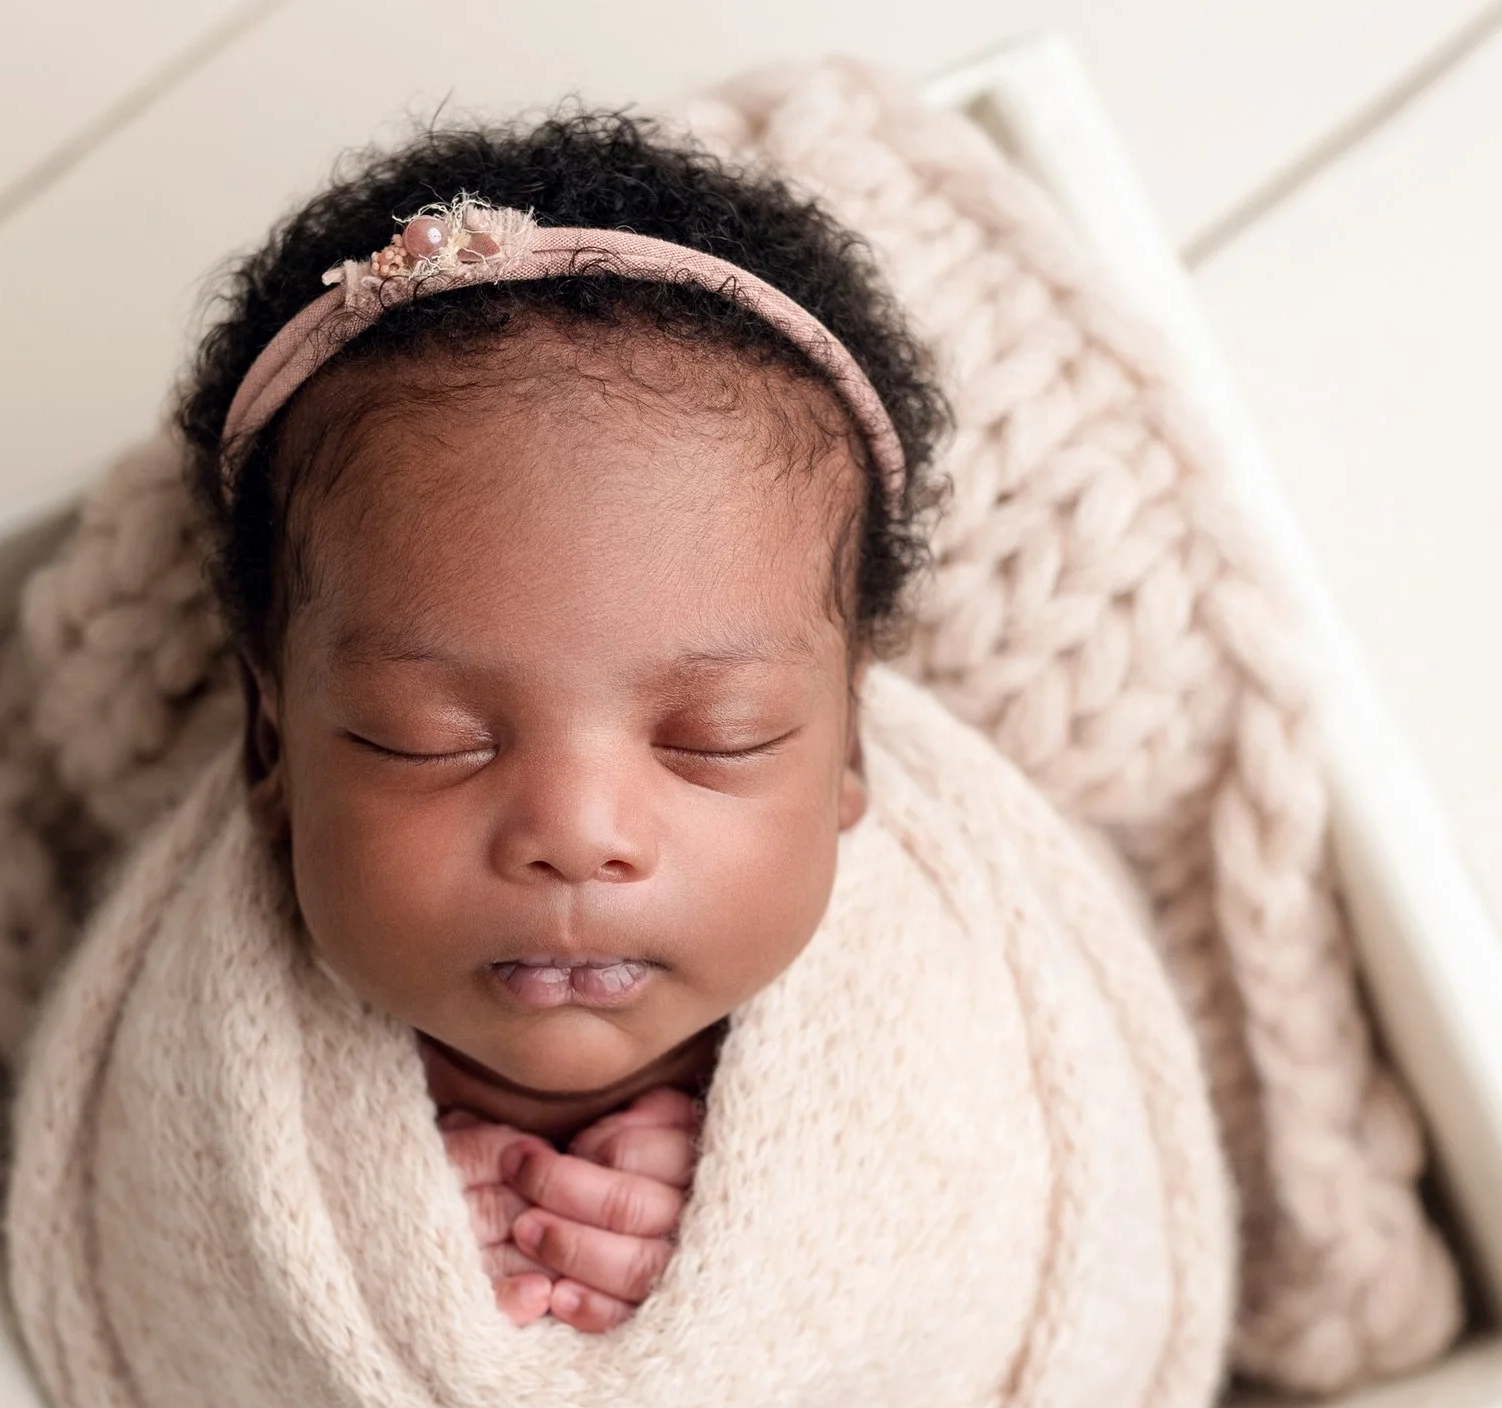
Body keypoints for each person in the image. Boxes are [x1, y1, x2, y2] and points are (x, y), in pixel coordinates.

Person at [175, 108, 947, 1336]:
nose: (577, 835)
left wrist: (776, 1236)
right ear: (271, 742)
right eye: (427, 735)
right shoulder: (214, 1076)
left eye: (720, 734)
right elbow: (166, 1276)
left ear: (848, 744)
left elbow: (1004, 1225)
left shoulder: (929, 1022)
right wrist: (365, 1257)